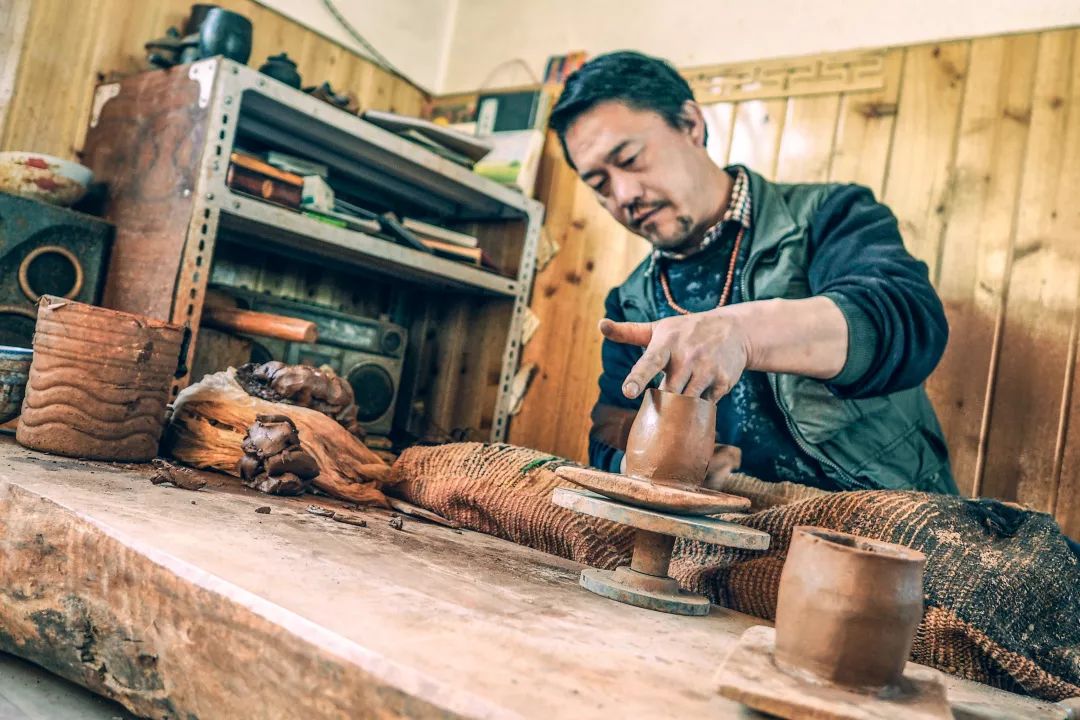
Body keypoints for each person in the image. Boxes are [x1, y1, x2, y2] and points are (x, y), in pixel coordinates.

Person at [547, 51, 957, 494]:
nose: (623, 194)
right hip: (729, 533)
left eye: (628, 159)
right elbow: (611, 431)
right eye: (599, 184)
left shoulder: (828, 216)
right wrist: (651, 464)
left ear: (690, 124)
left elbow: (910, 325)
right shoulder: (631, 302)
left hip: (879, 521)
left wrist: (742, 333)